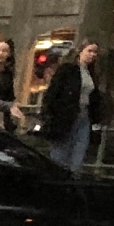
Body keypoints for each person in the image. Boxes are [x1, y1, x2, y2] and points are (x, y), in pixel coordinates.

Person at [42, 39, 108, 170]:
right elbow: (53, 92)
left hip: (84, 116)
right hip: (66, 115)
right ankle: (57, 178)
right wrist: (49, 113)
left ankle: (73, 178)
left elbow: (94, 97)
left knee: (79, 153)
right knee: (61, 152)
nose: (92, 55)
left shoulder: (92, 73)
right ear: (80, 51)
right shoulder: (67, 69)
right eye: (89, 51)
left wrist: (96, 119)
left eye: (95, 52)